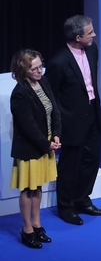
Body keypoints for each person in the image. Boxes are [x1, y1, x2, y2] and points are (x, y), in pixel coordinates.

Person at [45, 15, 101, 226]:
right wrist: (57, 126)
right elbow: (51, 96)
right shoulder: (58, 62)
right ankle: (66, 207)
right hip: (72, 120)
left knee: (92, 160)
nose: (95, 35)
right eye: (90, 32)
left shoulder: (92, 49)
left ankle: (82, 200)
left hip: (93, 113)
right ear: (78, 36)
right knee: (70, 165)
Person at [10, 50, 61, 248]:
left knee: (38, 187)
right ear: (23, 71)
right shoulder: (20, 93)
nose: (40, 71)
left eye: (41, 66)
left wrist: (56, 135)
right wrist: (46, 144)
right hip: (30, 148)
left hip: (46, 143)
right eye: (34, 69)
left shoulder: (43, 82)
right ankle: (27, 229)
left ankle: (37, 224)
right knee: (28, 189)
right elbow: (28, 126)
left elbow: (54, 109)